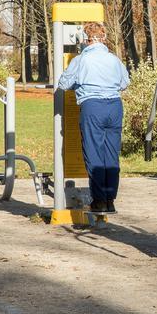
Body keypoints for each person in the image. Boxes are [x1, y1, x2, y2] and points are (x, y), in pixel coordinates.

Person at [56, 21, 130, 214]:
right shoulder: (114, 59)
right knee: (111, 154)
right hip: (114, 106)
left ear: (86, 39)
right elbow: (124, 82)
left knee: (94, 154)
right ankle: (110, 199)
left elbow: (64, 83)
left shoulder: (81, 60)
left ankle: (98, 201)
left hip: (92, 107)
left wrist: (80, 86)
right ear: (104, 38)